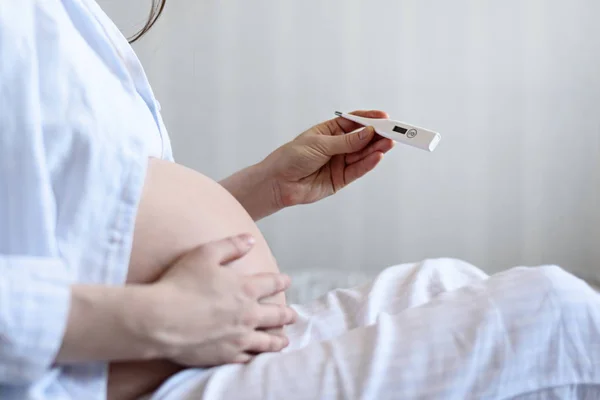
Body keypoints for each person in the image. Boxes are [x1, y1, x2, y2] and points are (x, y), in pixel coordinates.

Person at [1, 1, 599, 400]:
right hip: (120, 365)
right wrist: (163, 320)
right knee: (553, 313)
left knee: (448, 282)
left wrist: (262, 188)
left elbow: (89, 221)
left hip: (186, 343)